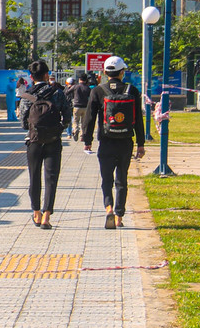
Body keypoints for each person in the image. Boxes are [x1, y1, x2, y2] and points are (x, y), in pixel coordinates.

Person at [83, 55, 146, 229]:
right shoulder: (132, 90)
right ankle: (119, 216)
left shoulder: (98, 91)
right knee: (121, 179)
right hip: (125, 142)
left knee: (106, 179)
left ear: (105, 72)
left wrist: (87, 141)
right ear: (122, 72)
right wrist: (141, 143)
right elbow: (138, 120)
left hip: (106, 141)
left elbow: (89, 118)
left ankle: (108, 207)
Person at [19, 59, 72, 229]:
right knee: (51, 178)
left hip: (33, 141)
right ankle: (47, 216)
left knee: (34, 176)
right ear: (47, 75)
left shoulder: (27, 95)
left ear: (31, 77)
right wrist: (58, 129)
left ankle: (36, 212)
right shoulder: (57, 93)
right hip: (53, 141)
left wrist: (34, 128)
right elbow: (67, 116)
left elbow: (23, 123)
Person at [69, 70, 91, 142]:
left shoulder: (76, 86)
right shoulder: (88, 88)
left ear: (79, 79)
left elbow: (67, 92)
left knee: (75, 121)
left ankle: (75, 130)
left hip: (76, 106)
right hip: (85, 107)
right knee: (83, 122)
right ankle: (82, 136)